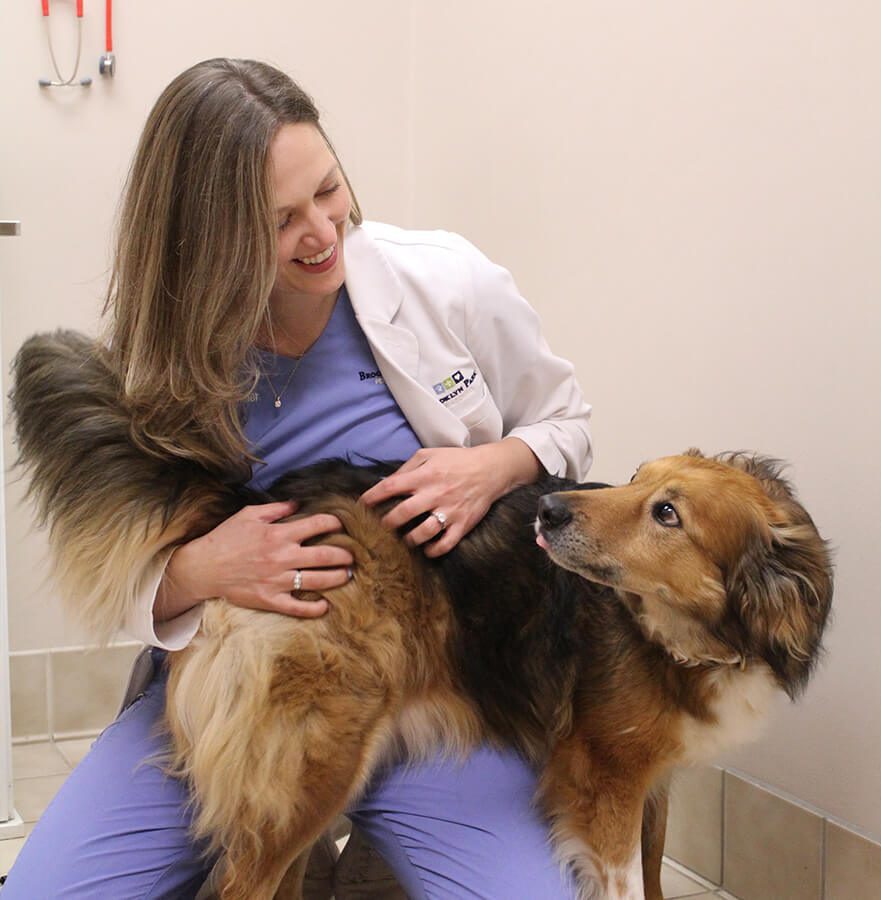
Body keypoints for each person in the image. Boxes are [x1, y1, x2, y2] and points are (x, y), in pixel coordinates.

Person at [3, 58, 592, 898]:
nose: (322, 232)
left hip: (434, 691)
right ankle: (300, 848)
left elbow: (568, 424)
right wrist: (202, 569)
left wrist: (494, 464)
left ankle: (343, 850)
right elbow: (123, 577)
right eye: (280, 220)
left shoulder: (443, 281)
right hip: (246, 684)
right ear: (210, 235)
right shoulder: (164, 358)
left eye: (330, 190)